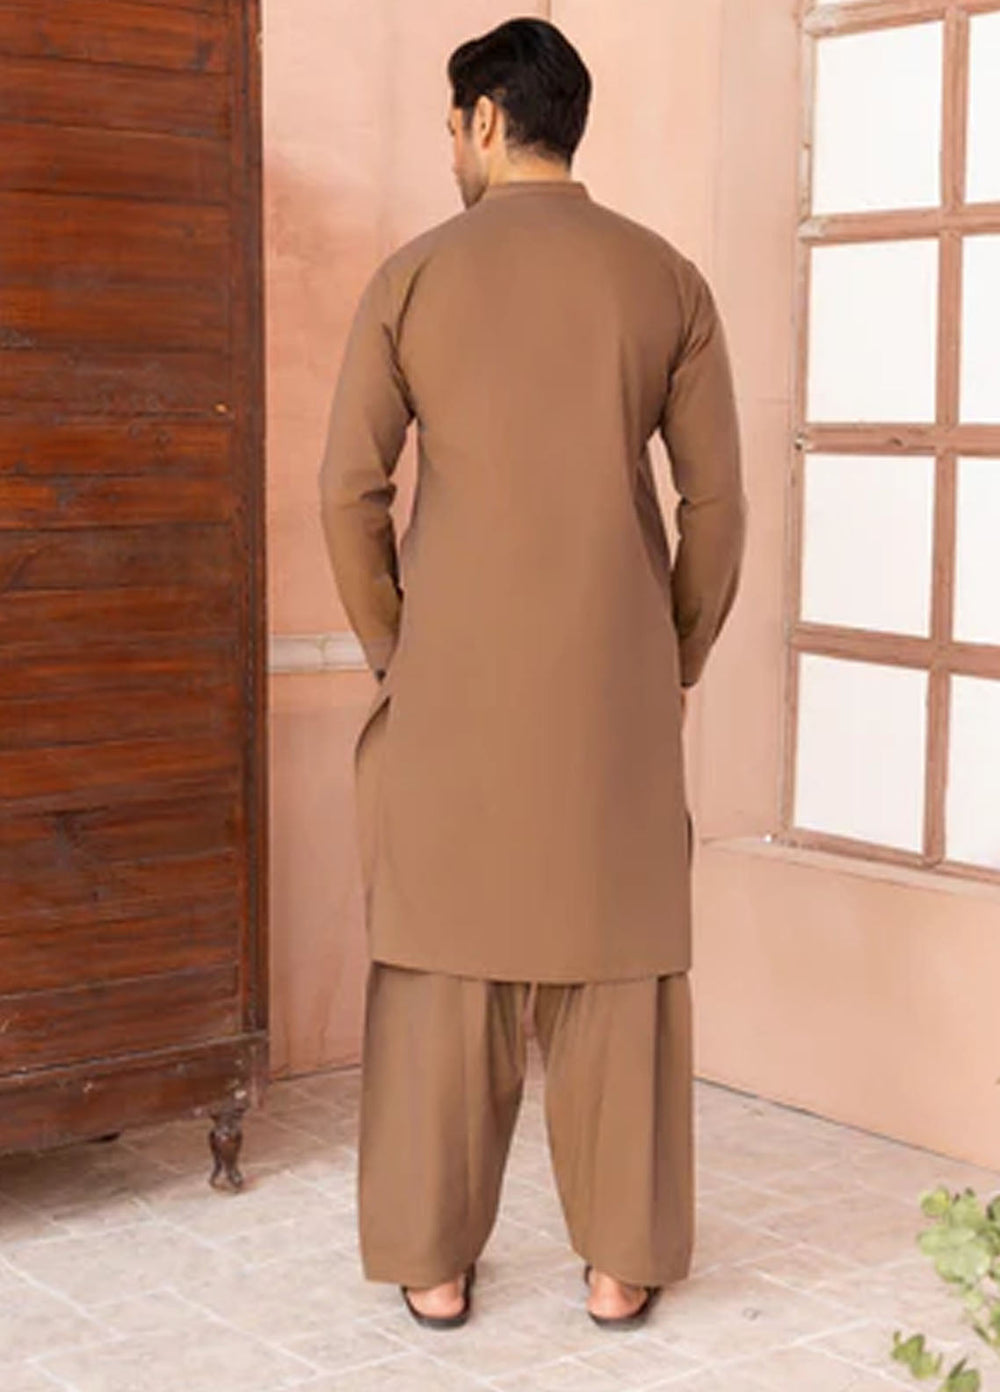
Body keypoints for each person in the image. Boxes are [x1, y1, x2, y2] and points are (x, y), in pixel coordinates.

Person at [319, 16, 747, 1331]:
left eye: (452, 128)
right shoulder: (667, 281)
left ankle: (433, 1265)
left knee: (441, 963)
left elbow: (348, 493)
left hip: (449, 683)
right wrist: (672, 653)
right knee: (622, 969)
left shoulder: (411, 278)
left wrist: (396, 646)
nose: (449, 151)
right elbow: (717, 505)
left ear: (489, 121)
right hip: (615, 688)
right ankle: (621, 1267)